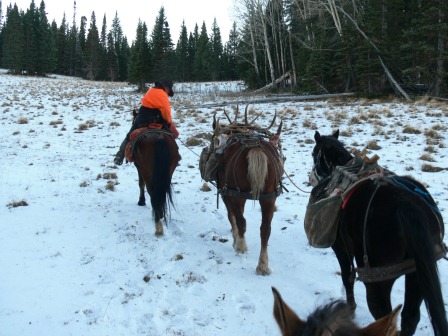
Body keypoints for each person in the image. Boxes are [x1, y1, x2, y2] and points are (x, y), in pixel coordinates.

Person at [114, 80, 179, 165]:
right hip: (157, 119)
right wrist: (169, 122)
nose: (168, 92)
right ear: (166, 88)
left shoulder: (150, 90)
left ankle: (120, 156)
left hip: (142, 118)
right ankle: (174, 156)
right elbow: (166, 112)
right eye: (169, 90)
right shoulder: (163, 94)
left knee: (129, 136)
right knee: (173, 134)